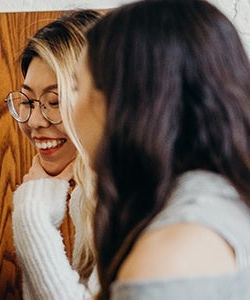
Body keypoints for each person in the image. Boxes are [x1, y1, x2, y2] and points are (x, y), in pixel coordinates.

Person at [73, 0, 250, 298]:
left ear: (121, 104)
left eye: (77, 87)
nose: (70, 109)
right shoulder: (223, 200)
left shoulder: (172, 252)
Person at [7, 10, 102, 299]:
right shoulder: (89, 195)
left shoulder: (138, 197)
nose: (34, 121)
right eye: (27, 101)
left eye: (55, 101)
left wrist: (31, 215)